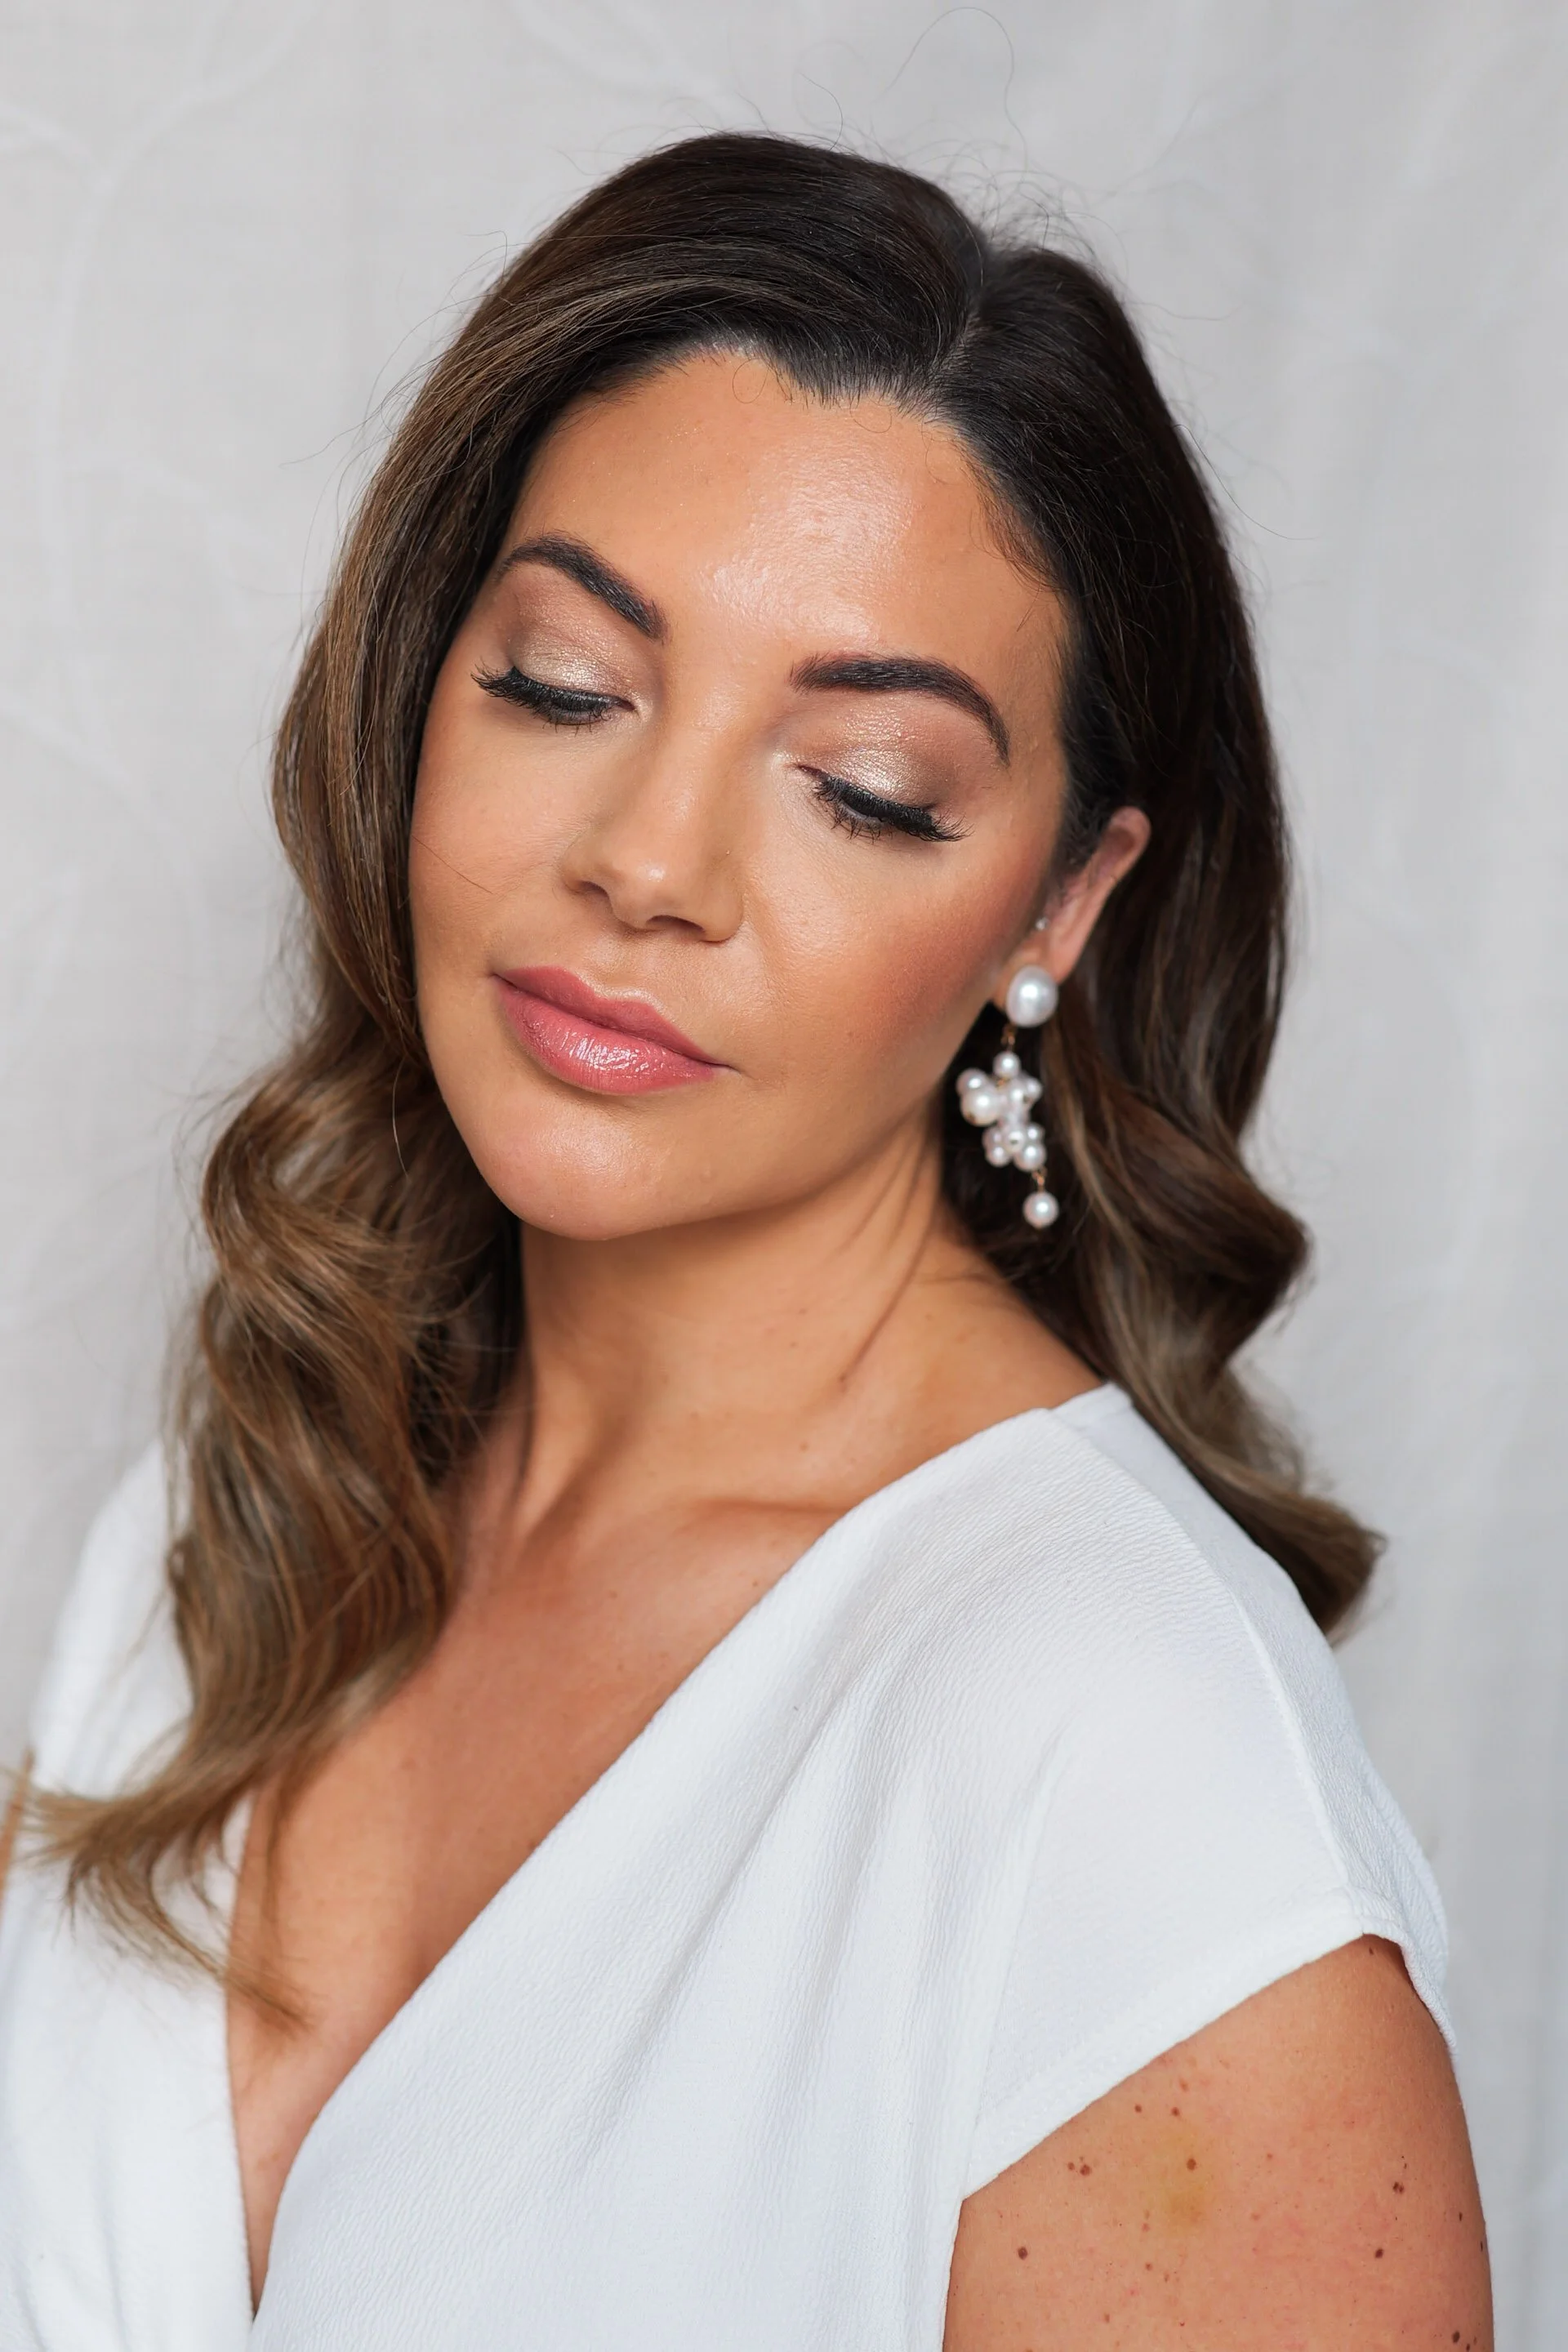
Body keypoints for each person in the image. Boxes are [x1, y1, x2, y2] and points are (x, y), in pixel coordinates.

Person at [0, 133, 1490, 2349]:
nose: (650, 861)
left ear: (1062, 906)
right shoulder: (230, 1527)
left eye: (866, 786)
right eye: (568, 686)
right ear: (420, 689)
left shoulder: (1132, 1786)